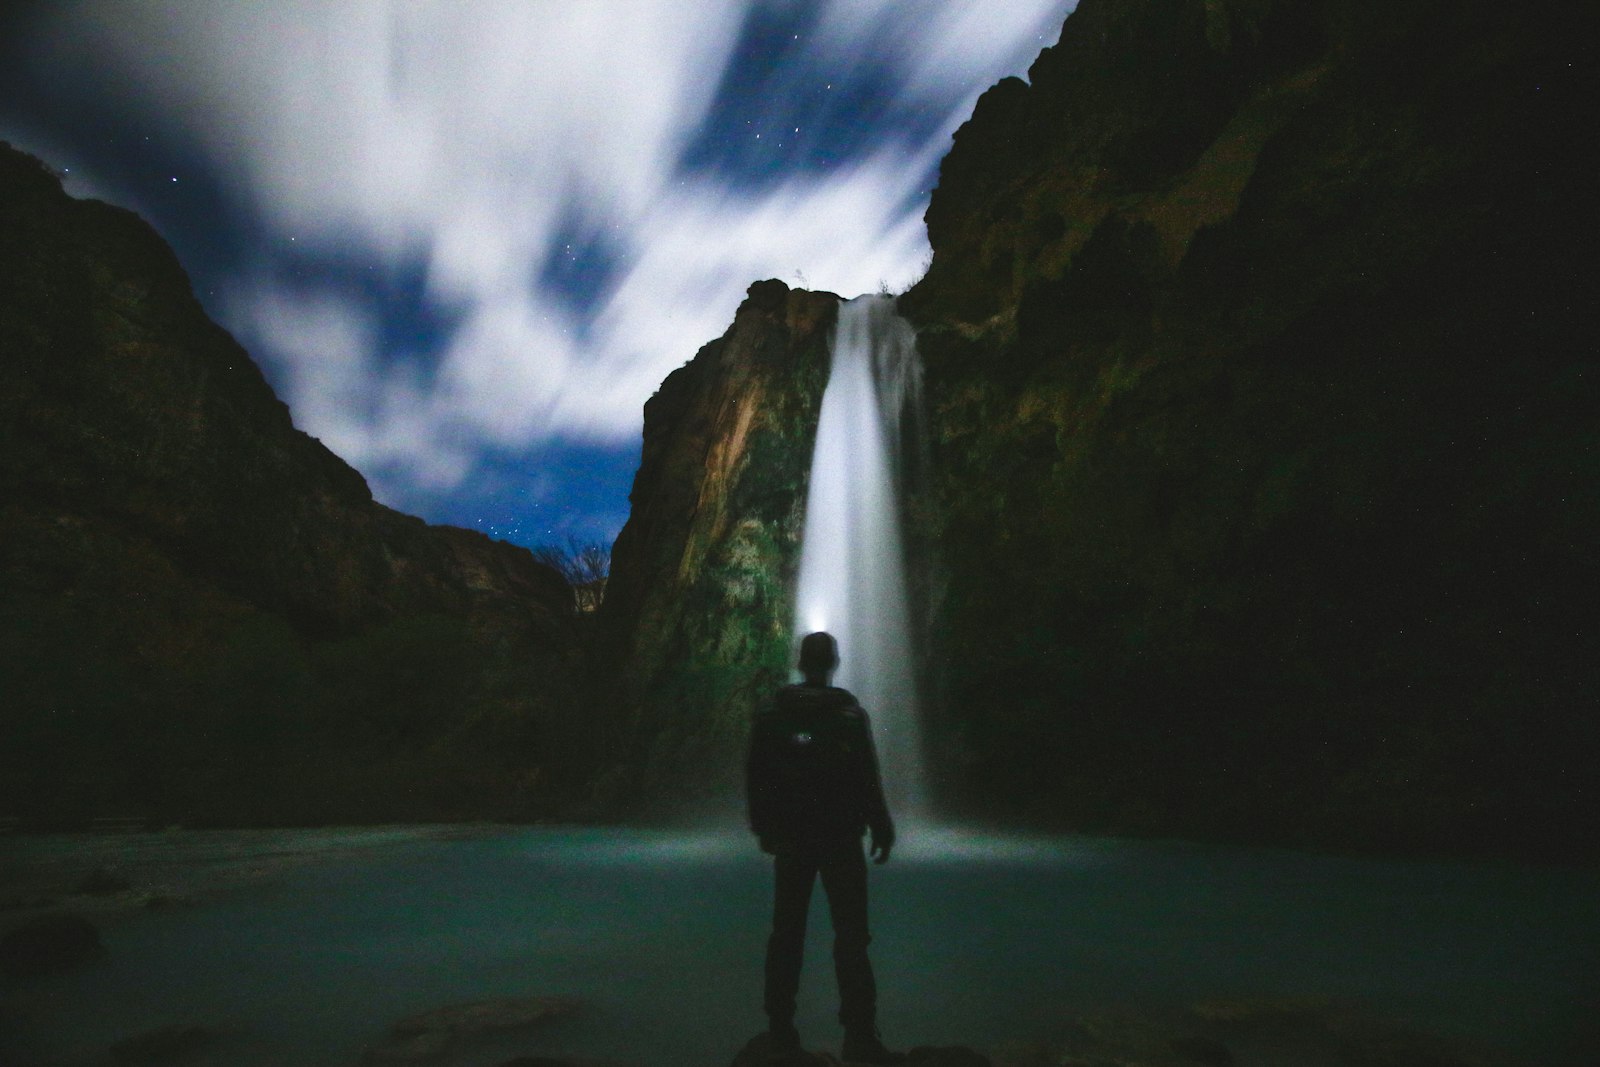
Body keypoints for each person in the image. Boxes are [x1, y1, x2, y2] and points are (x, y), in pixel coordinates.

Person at [745, 631, 904, 1064]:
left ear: (800, 662)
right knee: (851, 937)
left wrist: (764, 828)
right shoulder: (849, 715)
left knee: (786, 935)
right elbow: (867, 777)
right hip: (840, 840)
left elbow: (756, 775)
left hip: (793, 839)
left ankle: (780, 1029)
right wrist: (881, 825)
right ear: (833, 662)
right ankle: (859, 1034)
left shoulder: (773, 713)